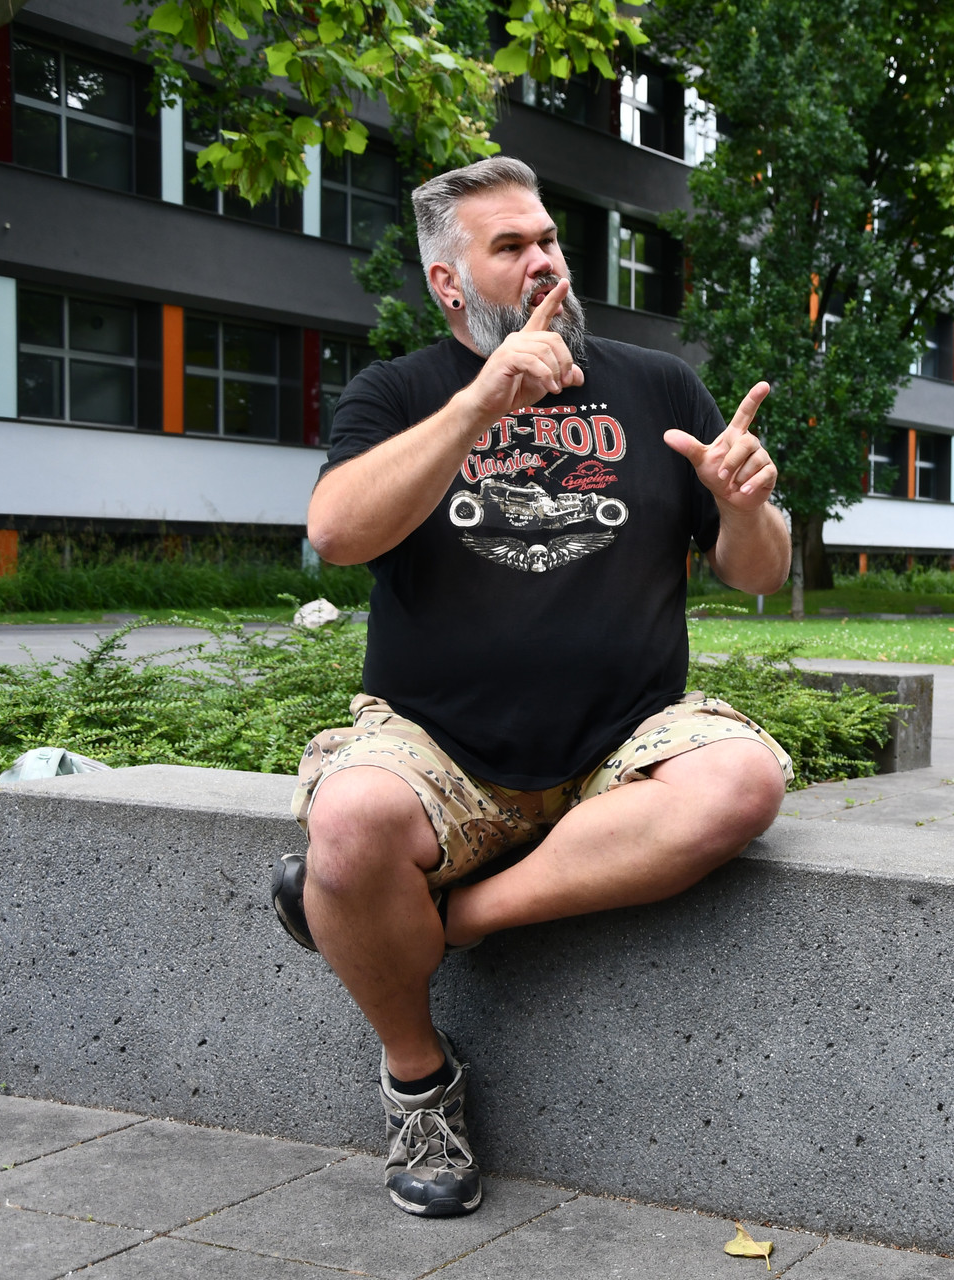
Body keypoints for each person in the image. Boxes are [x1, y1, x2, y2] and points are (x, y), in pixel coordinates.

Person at [270, 156, 794, 1218]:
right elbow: (336, 531)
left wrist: (745, 504)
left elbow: (759, 569)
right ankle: (421, 1081)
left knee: (742, 780)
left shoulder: (657, 386)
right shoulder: (400, 394)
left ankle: (439, 917)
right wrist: (479, 405)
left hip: (624, 741)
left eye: (547, 237)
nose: (545, 258)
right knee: (354, 815)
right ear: (447, 284)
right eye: (509, 246)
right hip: (439, 747)